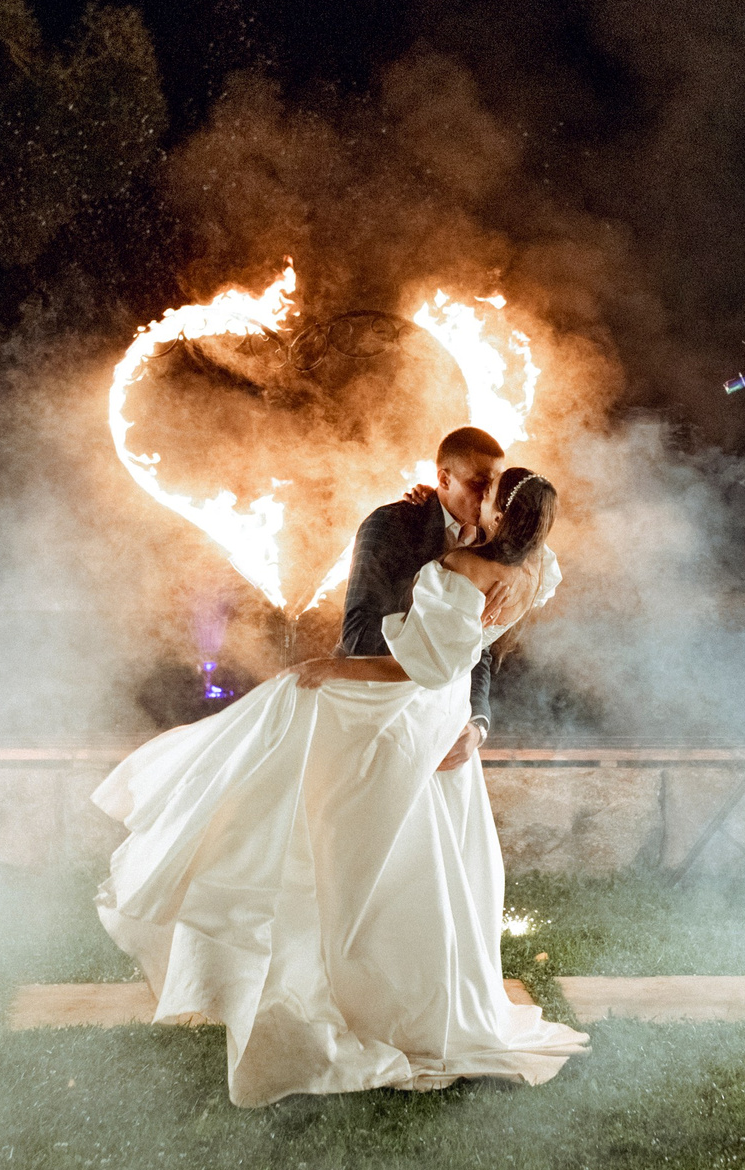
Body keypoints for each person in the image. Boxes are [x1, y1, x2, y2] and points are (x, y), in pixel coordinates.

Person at [94, 463, 588, 1107]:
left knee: (290, 730)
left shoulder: (458, 573)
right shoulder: (537, 570)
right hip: (436, 716)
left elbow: (420, 668)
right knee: (428, 864)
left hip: (408, 712)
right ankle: (397, 987)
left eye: (488, 493)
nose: (478, 498)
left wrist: (331, 666)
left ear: (500, 509)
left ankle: (249, 892)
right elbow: (470, 648)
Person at [340, 427, 542, 772]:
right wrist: (445, 637)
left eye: (493, 485)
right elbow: (358, 635)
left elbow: (481, 650)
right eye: (478, 484)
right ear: (443, 480)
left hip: (442, 725)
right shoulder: (390, 524)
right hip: (372, 714)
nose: (487, 496)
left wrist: (476, 725)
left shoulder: (492, 547)